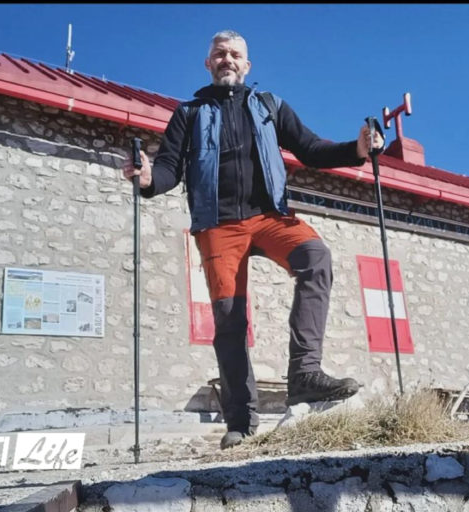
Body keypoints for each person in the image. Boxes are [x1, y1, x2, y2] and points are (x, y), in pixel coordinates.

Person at [123, 30, 384, 449]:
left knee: (316, 257)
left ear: (247, 65)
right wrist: (150, 178)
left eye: (235, 54)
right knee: (230, 320)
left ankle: (305, 374)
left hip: (270, 216)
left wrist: (356, 149)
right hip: (218, 225)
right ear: (208, 63)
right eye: (219, 54)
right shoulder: (188, 113)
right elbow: (169, 168)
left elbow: (310, 149)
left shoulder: (269, 106)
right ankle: (241, 423)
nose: (227, 59)